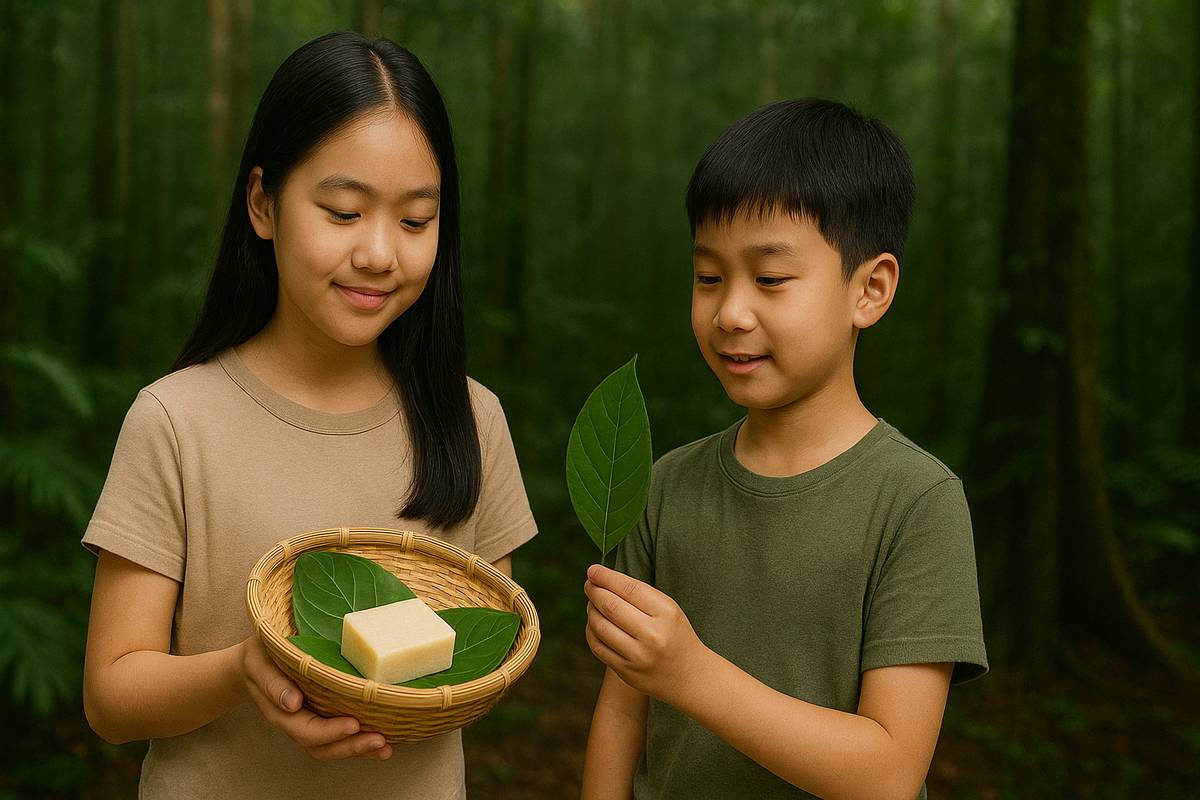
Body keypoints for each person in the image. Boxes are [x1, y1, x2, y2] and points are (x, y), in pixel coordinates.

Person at [80, 31, 537, 800]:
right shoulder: (174, 421)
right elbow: (112, 698)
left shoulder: (470, 416)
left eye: (417, 221)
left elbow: (488, 649)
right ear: (263, 203)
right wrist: (243, 670)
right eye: (344, 211)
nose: (380, 253)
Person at [581, 98, 988, 800]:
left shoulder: (916, 502)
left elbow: (889, 773)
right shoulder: (667, 485)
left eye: (770, 279)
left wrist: (692, 675)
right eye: (709, 277)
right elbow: (623, 707)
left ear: (871, 290)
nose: (730, 311)